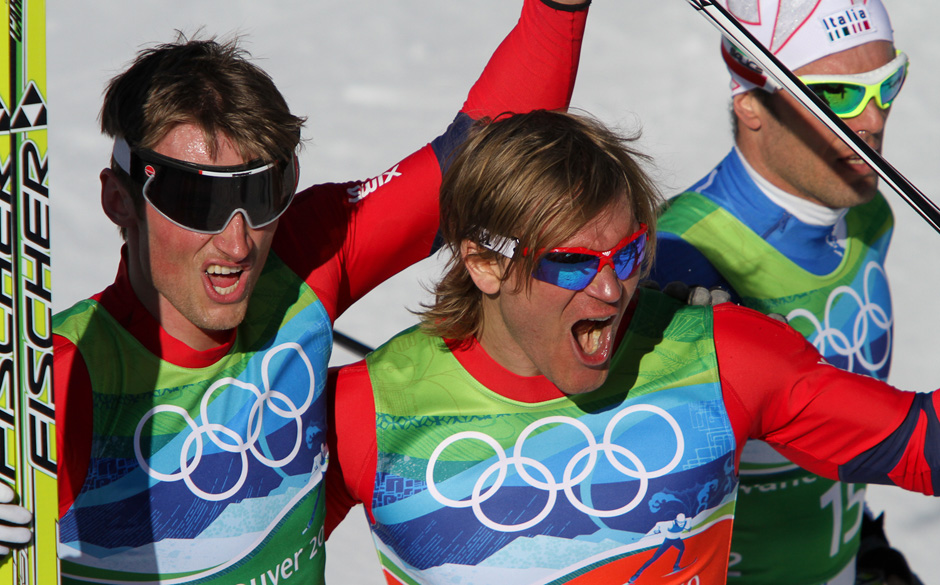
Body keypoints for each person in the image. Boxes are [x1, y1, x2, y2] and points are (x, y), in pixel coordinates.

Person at [50, 1, 589, 582]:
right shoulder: (64, 378)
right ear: (118, 201)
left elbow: (479, 152)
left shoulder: (299, 261)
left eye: (263, 194)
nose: (237, 244)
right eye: (196, 202)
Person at [324, 109, 939, 585]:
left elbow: (922, 446)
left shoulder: (721, 355)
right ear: (484, 262)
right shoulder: (365, 414)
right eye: (569, 264)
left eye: (627, 253)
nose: (611, 289)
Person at [649, 1, 919, 583]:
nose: (871, 119)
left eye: (887, 84)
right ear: (750, 101)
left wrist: (862, 545)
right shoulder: (683, 259)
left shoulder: (867, 216)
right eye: (836, 96)